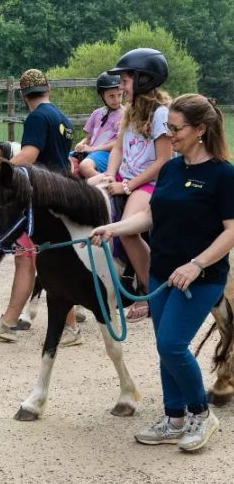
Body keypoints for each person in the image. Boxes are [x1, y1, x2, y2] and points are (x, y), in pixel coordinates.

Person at [91, 94, 234, 452]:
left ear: (200, 129)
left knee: (172, 344)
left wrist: (197, 263)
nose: (169, 135)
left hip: (201, 276)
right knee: (164, 346)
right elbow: (153, 216)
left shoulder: (223, 175)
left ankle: (201, 413)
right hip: (163, 272)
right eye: (167, 127)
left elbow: (231, 230)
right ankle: (174, 418)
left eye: (175, 128)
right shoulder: (171, 169)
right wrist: (116, 228)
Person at [0, 69, 84, 345]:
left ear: (23, 96)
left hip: (42, 197)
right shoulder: (62, 118)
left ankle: (10, 323)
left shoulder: (37, 117)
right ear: (48, 89)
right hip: (62, 192)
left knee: (27, 257)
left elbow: (31, 155)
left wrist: (1, 170)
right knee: (51, 260)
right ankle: (63, 328)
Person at [98, 48, 172, 322]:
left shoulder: (161, 114)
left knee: (128, 231)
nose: (121, 87)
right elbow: (117, 148)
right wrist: (109, 174)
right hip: (125, 177)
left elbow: (164, 161)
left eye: (126, 81)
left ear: (143, 80)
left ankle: (151, 292)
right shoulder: (129, 111)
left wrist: (127, 186)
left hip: (149, 183)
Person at [70, 73, 123, 179]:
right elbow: (89, 137)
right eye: (111, 96)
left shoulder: (125, 114)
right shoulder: (96, 113)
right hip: (92, 151)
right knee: (64, 160)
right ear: (102, 96)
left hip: (109, 153)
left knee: (85, 166)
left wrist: (93, 149)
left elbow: (119, 143)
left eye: (120, 95)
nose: (116, 100)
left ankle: (109, 184)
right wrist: (81, 144)